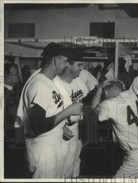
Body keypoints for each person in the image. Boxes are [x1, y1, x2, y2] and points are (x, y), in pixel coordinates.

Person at [15, 42, 83, 178]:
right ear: (56, 60)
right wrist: (68, 111)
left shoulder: (50, 81)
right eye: (64, 61)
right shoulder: (39, 84)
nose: (65, 66)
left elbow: (50, 112)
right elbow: (38, 125)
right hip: (43, 151)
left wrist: (61, 127)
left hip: (52, 146)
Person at [91, 80, 138, 178]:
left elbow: (93, 109)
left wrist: (100, 88)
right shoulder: (131, 95)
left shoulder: (110, 104)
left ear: (107, 92)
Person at [53, 49, 98, 178]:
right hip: (61, 130)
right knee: (62, 169)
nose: (82, 68)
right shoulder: (54, 84)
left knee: (74, 164)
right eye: (79, 65)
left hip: (76, 127)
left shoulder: (77, 79)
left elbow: (84, 99)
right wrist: (61, 126)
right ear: (67, 65)